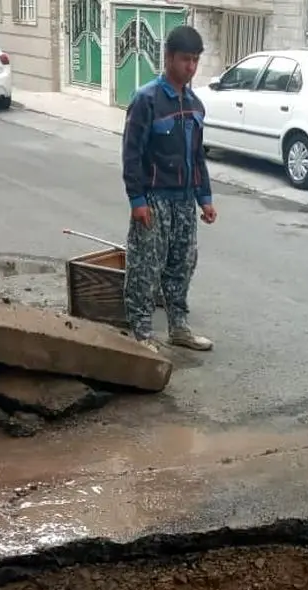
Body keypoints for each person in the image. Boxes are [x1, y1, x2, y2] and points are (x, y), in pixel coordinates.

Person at [121, 24, 216, 353]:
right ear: (169, 58)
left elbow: (197, 156)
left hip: (184, 200)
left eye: (195, 60)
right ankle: (141, 333)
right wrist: (137, 199)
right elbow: (131, 154)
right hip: (154, 199)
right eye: (185, 60)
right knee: (146, 267)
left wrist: (205, 198)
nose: (191, 67)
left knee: (182, 263)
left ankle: (179, 327)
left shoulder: (195, 105)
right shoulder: (147, 100)